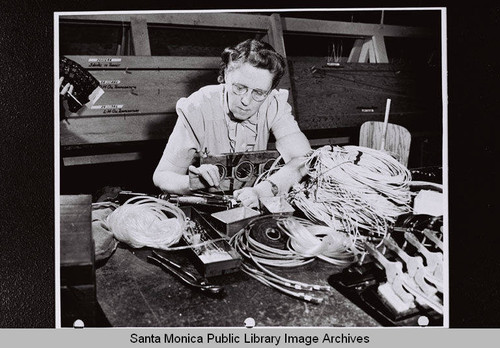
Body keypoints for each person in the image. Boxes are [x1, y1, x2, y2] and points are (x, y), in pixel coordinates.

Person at [153, 39, 311, 208]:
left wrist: (263, 190)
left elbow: (303, 159)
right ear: (225, 76)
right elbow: (162, 176)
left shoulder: (273, 103)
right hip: (208, 204)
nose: (246, 100)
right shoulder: (198, 106)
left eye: (258, 93)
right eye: (239, 87)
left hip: (253, 199)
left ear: (270, 90)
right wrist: (192, 183)